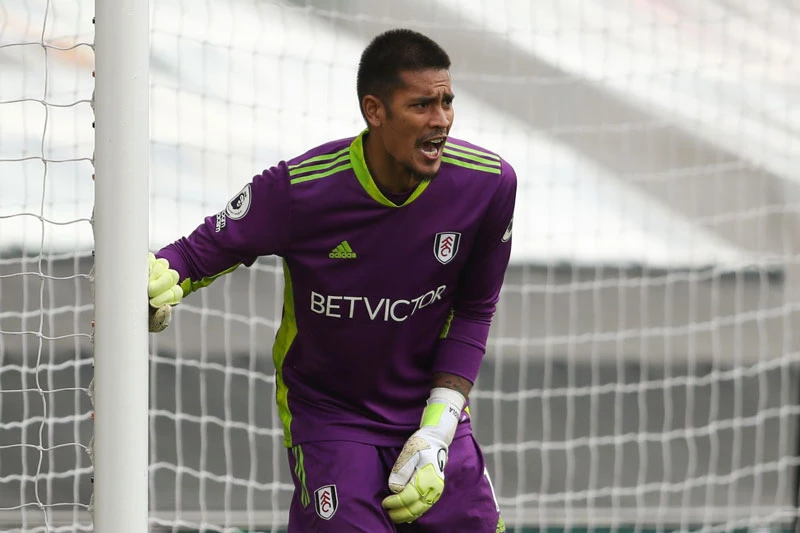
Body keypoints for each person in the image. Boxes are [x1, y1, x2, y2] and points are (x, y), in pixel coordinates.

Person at [147, 28, 516, 533]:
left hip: (429, 412)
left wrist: (436, 432)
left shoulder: (488, 184)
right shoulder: (301, 190)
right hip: (332, 418)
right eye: (422, 106)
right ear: (375, 110)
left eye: (447, 102)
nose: (442, 121)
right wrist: (158, 281)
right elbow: (195, 253)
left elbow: (474, 309)